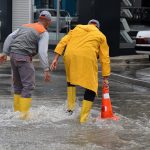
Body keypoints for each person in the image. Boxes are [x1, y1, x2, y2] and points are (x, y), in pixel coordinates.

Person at [50, 19, 111, 123]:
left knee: (71, 80)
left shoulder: (76, 29)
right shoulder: (101, 35)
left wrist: (55, 58)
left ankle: (70, 110)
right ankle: (83, 118)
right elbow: (105, 58)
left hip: (69, 55)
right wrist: (105, 78)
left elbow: (63, 41)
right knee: (91, 87)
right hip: (87, 57)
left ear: (88, 25)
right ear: (98, 27)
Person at [0, 11, 51, 119]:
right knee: (28, 86)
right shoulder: (43, 32)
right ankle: (24, 117)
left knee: (18, 86)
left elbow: (9, 37)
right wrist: (46, 69)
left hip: (13, 56)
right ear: (48, 22)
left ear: (39, 19)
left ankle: (16, 113)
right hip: (23, 57)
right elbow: (42, 51)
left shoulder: (25, 26)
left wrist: (4, 53)